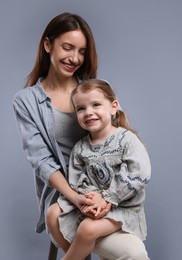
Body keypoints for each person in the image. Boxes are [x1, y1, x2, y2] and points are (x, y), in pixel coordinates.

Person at [13, 12, 150, 260]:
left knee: (133, 253)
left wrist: (106, 197)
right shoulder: (26, 101)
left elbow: (120, 136)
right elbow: (42, 160)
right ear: (47, 45)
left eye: (82, 51)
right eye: (68, 47)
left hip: (109, 195)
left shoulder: (92, 90)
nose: (75, 58)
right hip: (65, 198)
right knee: (72, 225)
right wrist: (77, 197)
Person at [57, 79, 151, 260]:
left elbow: (139, 173)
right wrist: (92, 199)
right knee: (57, 213)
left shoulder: (126, 139)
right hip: (97, 209)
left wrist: (107, 198)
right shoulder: (80, 148)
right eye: (81, 108)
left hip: (125, 209)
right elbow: (77, 180)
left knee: (87, 228)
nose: (88, 112)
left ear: (113, 107)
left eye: (96, 105)